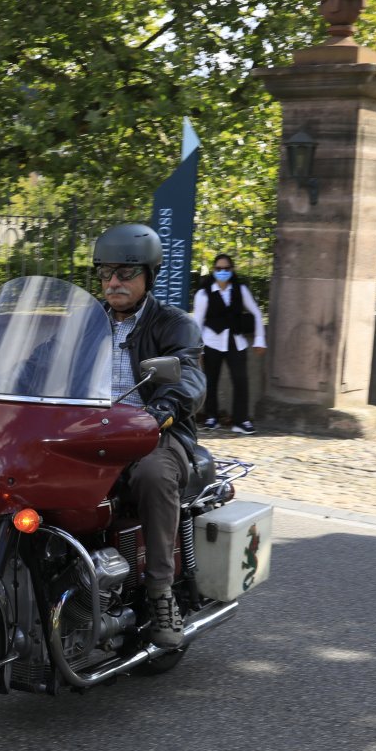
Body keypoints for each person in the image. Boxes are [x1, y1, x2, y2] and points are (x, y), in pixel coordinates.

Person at [91, 223, 206, 648]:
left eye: (125, 273)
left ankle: (160, 592)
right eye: (105, 273)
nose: (113, 282)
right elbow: (42, 361)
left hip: (154, 432)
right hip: (88, 434)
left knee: (153, 475)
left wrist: (163, 408)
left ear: (148, 276)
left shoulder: (173, 324)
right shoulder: (87, 323)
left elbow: (189, 376)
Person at [190, 253, 266, 434]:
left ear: (232, 270)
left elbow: (256, 313)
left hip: (236, 342)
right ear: (214, 270)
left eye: (226, 269)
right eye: (218, 269)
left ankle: (241, 420)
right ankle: (211, 417)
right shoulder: (204, 293)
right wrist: (197, 349)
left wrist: (260, 340)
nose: (222, 272)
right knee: (210, 381)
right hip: (211, 341)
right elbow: (197, 322)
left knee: (241, 380)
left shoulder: (240, 290)